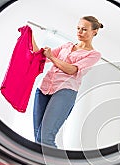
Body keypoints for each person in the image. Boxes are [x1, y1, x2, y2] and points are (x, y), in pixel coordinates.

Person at [31, 16, 103, 148]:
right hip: (43, 88)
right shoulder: (67, 46)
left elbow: (71, 70)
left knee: (46, 138)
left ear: (95, 31)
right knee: (38, 137)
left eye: (84, 29)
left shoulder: (93, 54)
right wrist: (30, 36)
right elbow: (41, 57)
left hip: (65, 91)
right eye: (78, 28)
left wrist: (51, 57)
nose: (80, 32)